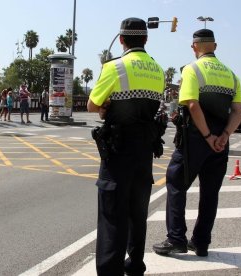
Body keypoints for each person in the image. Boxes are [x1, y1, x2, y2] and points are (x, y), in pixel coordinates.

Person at [152, 29, 241, 257]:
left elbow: (192, 105)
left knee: (176, 183)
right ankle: (201, 242)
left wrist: (207, 136)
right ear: (215, 46)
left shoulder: (192, 70)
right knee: (210, 193)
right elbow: (238, 111)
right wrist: (223, 136)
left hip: (195, 140)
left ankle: (176, 238)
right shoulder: (232, 75)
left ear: (194, 46)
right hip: (220, 144)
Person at [87, 18, 165, 276]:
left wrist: (106, 107)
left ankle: (110, 270)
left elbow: (92, 104)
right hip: (144, 151)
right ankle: (135, 265)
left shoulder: (114, 67)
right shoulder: (157, 70)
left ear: (121, 40)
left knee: (112, 212)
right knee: (137, 210)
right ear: (146, 39)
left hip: (118, 149)